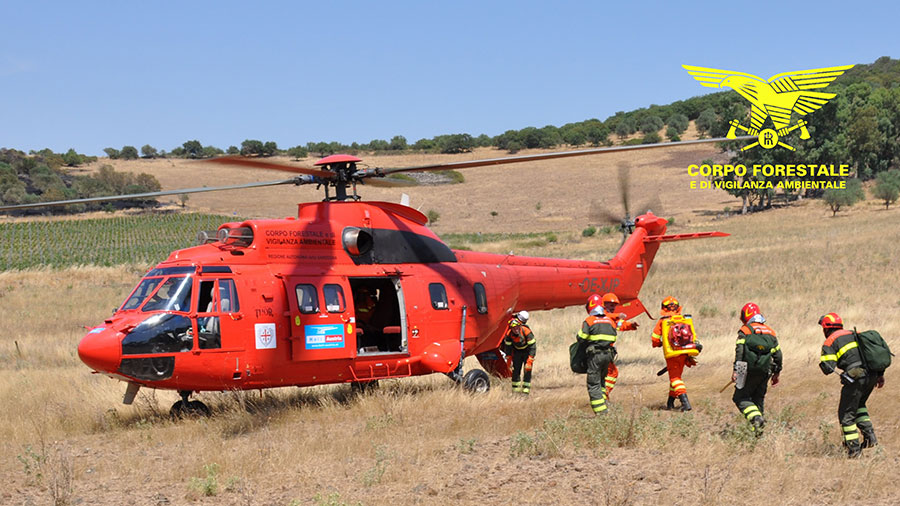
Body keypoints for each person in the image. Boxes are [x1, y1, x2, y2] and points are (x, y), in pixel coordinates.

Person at [818, 313, 885, 458]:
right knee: (859, 405)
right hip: (872, 375)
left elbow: (827, 368)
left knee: (846, 416)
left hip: (856, 378)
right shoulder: (855, 333)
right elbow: (873, 354)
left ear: (825, 329)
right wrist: (880, 375)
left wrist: (823, 361)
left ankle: (854, 451)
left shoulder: (830, 341)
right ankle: (870, 438)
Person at [732, 302, 782, 435]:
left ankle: (756, 419)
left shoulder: (745, 330)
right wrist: (777, 372)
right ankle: (758, 432)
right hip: (766, 370)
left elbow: (740, 350)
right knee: (758, 399)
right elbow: (778, 354)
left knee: (740, 398)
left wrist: (736, 370)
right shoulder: (770, 332)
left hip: (744, 368)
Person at [650, 296, 702, 411]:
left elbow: (654, 339)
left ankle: (685, 403)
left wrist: (659, 344)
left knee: (675, 378)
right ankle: (670, 402)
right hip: (685, 353)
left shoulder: (663, 321)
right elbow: (693, 336)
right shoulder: (684, 319)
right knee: (676, 377)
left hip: (672, 354)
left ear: (664, 308)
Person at [576, 294, 618, 415]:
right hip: (608, 356)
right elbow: (613, 336)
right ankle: (604, 403)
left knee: (593, 384)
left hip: (595, 357)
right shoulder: (609, 320)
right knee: (601, 381)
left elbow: (581, 338)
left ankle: (602, 413)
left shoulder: (589, 321)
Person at [600, 293, 639, 398]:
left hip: (605, 352)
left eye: (614, 305)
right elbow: (606, 316)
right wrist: (617, 315)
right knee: (612, 374)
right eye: (611, 305)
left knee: (606, 375)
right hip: (602, 352)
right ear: (604, 304)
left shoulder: (613, 318)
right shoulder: (601, 315)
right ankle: (603, 395)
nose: (613, 308)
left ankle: (602, 395)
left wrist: (631, 325)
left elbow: (621, 324)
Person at [502, 311, 536, 394]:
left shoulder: (526, 331)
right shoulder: (509, 334)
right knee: (515, 371)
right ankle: (515, 391)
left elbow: (532, 346)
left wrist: (530, 360)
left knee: (527, 370)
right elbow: (508, 348)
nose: (515, 330)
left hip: (527, 352)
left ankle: (525, 391)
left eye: (517, 327)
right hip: (517, 352)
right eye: (514, 328)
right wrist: (509, 359)